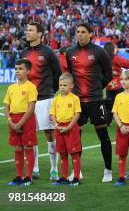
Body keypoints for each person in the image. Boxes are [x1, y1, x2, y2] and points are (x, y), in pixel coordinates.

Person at [66, 22, 113, 182]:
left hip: (95, 100)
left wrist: (98, 88)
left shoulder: (99, 52)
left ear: (91, 34)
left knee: (103, 136)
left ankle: (108, 170)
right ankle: (77, 171)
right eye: (78, 31)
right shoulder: (70, 52)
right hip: (77, 101)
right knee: (76, 138)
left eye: (83, 32)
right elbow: (71, 74)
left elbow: (108, 74)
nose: (80, 34)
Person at [20, 22, 62, 180]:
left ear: (40, 34)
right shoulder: (24, 52)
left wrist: (49, 90)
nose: (28, 32)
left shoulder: (48, 52)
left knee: (49, 133)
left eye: (31, 30)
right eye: (27, 30)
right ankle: (35, 168)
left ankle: (54, 169)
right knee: (30, 135)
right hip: (28, 100)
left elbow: (57, 74)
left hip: (45, 99)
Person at [4, 59, 38, 186]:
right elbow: (6, 105)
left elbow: (31, 108)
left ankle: (29, 177)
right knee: (17, 148)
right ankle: (19, 176)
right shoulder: (11, 87)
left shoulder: (31, 87)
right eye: (16, 68)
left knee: (28, 147)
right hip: (13, 119)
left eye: (21, 68)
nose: (17, 71)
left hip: (27, 119)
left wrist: (20, 123)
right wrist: (10, 120)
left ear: (28, 71)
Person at [49, 73, 82, 187]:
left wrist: (69, 127)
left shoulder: (75, 98)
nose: (62, 87)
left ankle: (76, 178)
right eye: (60, 85)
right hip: (59, 128)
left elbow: (77, 114)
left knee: (74, 154)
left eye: (65, 85)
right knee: (62, 154)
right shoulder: (56, 99)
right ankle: (64, 177)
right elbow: (52, 114)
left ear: (71, 86)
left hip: (71, 128)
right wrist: (56, 125)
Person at [104, 42, 129, 127]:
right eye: (115, 48)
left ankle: (108, 122)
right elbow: (128, 64)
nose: (116, 49)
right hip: (118, 86)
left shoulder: (103, 59)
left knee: (110, 105)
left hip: (108, 86)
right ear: (112, 49)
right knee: (121, 104)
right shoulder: (116, 58)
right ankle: (123, 121)